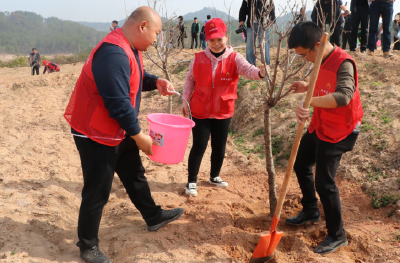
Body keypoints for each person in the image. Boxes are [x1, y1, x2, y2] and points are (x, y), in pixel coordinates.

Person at [64, 7, 184, 263]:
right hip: (95, 132)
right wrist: (140, 137)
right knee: (98, 190)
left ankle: (152, 216)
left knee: (133, 173)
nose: (156, 39)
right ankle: (87, 246)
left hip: (116, 128)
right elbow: (117, 102)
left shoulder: (129, 47)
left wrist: (155, 82)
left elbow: (132, 76)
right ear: (142, 26)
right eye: (156, 33)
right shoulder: (112, 53)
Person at [286, 21, 363, 256]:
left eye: (303, 54)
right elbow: (323, 83)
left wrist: (309, 102)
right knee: (300, 163)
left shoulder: (344, 62)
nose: (302, 59)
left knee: (325, 183)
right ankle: (310, 209)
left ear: (318, 45)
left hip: (340, 130)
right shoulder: (320, 59)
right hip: (321, 125)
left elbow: (343, 96)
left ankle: (337, 235)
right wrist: (307, 86)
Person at [181, 18, 269, 197]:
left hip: (223, 110)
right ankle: (191, 181)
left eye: (219, 39)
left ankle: (214, 176)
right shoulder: (197, 58)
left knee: (219, 146)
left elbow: (248, 70)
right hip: (200, 110)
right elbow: (190, 79)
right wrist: (185, 99)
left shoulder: (235, 58)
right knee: (199, 146)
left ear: (226, 37)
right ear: (207, 39)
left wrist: (260, 73)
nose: (215, 43)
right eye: (211, 40)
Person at [239, 0, 276, 66]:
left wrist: (272, 18)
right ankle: (251, 67)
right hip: (251, 25)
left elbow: (271, 6)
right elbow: (243, 8)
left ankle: (266, 67)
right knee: (250, 47)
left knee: (265, 46)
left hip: (263, 25)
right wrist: (241, 20)